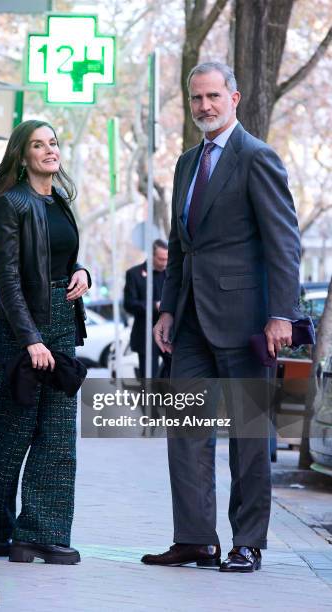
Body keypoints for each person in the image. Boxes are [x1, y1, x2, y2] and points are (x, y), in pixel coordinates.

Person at [141, 62, 302, 573]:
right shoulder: (187, 162)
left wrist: (282, 314)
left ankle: (247, 542)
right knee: (185, 431)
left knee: (249, 439)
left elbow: (284, 242)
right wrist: (168, 307)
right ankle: (195, 539)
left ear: (234, 98)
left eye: (213, 96)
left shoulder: (257, 158)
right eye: (196, 99)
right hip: (190, 324)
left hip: (248, 322)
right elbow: (183, 246)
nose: (204, 106)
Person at [0, 119, 91, 565]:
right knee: (11, 435)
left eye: (53, 143)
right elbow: (7, 278)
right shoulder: (12, 204)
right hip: (21, 332)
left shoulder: (60, 200)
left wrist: (83, 273)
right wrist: (30, 340)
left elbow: (64, 257)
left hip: (63, 325)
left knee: (59, 435)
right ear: (22, 156)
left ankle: (41, 534)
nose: (49, 150)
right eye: (38, 145)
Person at [123, 239, 168, 378]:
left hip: (169, 334)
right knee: (149, 380)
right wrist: (154, 306)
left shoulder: (172, 273)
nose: (164, 263)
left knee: (174, 375)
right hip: (145, 336)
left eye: (167, 259)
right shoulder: (134, 274)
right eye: (161, 259)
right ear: (152, 255)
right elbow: (129, 304)